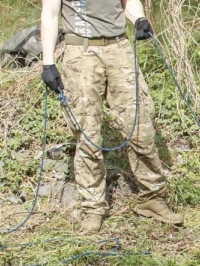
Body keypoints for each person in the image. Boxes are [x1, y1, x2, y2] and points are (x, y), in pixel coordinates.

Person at [40, 0, 182, 234]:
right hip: (80, 54)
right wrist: (48, 64)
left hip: (120, 50)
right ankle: (93, 209)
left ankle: (153, 198)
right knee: (87, 135)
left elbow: (128, 3)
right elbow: (50, 13)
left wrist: (139, 19)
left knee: (141, 124)